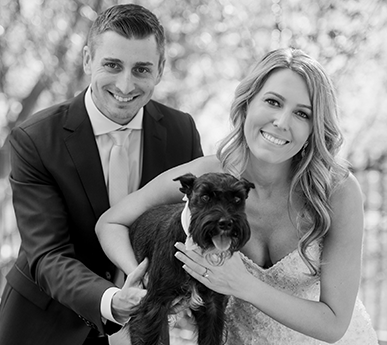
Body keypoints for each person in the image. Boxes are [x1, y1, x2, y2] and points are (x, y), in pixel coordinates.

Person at [96, 48, 379, 344]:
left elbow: (334, 323)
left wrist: (243, 284)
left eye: (302, 113)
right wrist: (140, 277)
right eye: (273, 101)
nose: (282, 122)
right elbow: (110, 223)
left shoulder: (337, 191)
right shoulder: (208, 173)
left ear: (313, 128)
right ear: (247, 103)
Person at [0, 4, 203, 345]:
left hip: (145, 329)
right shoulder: (35, 139)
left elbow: (190, 223)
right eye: (112, 65)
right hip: (46, 324)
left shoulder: (181, 132)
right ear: (88, 59)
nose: (125, 84)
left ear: (160, 70)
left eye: (142, 69)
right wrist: (111, 300)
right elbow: (48, 253)